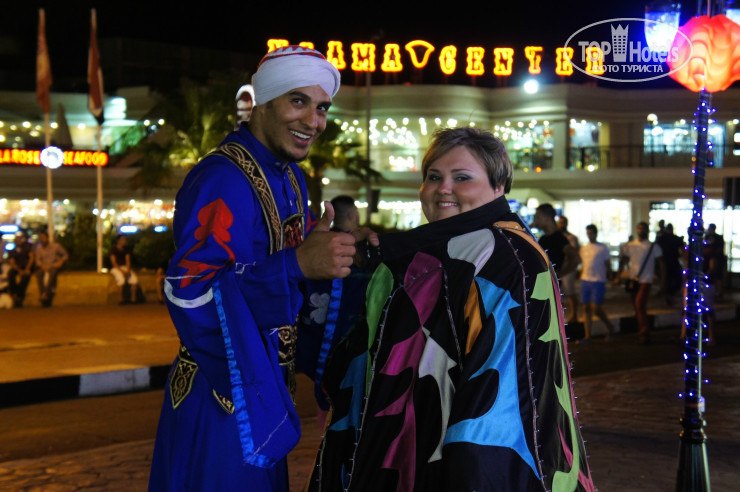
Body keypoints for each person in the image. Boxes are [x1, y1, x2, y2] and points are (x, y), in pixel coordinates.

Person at [308, 127, 593, 491]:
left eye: (461, 178)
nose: (443, 188)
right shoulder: (433, 252)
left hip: (448, 465)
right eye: (433, 177)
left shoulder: (504, 258)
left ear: (499, 184)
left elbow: (501, 407)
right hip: (405, 453)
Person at [149, 46, 378, 491]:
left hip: (264, 389)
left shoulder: (288, 174)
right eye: (298, 101)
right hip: (221, 396)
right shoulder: (223, 178)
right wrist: (297, 263)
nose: (313, 121)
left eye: (322, 107)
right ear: (263, 103)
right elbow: (189, 290)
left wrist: (343, 250)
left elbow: (295, 260)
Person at [297, 195, 370, 430]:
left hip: (315, 344)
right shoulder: (360, 251)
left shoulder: (312, 247)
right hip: (349, 349)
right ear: (352, 215)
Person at [615, 222, 663, 344]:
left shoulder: (653, 246)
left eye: (644, 228)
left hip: (646, 279)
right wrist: (618, 276)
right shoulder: (630, 245)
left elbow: (661, 264)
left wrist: (662, 279)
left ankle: (644, 332)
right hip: (634, 279)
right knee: (637, 307)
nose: (641, 230)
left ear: (647, 230)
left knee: (639, 304)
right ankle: (641, 330)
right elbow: (624, 260)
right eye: (639, 228)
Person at [533, 203, 579, 322]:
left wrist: (559, 274)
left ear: (547, 218)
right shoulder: (544, 239)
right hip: (542, 286)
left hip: (550, 288)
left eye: (538, 217)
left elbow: (576, 258)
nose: (535, 221)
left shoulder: (559, 238)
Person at [578, 224, 615, 343]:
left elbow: (608, 264)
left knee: (596, 308)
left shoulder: (603, 248)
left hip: (598, 280)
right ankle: (587, 336)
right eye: (588, 233)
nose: (589, 235)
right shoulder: (584, 248)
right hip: (585, 280)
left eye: (591, 233)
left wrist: (611, 277)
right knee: (586, 308)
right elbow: (584, 264)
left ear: (595, 233)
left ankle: (610, 327)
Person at [33, 230, 69, 307]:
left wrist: (61, 262)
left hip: (53, 265)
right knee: (39, 274)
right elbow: (37, 260)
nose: (42, 239)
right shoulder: (39, 249)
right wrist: (42, 266)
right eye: (41, 238)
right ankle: (43, 293)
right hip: (44, 266)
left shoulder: (56, 246)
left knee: (52, 274)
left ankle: (46, 293)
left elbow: (65, 255)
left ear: (47, 238)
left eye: (43, 237)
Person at [558, 215, 582, 323]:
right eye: (560, 222)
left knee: (570, 292)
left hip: (568, 268)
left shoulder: (571, 237)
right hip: (559, 267)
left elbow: (574, 252)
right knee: (559, 292)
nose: (561, 225)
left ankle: (574, 314)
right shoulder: (557, 236)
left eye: (563, 222)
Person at [109, 234, 139, 305]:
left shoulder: (126, 250)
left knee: (134, 280)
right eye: (123, 239)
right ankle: (121, 299)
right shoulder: (113, 249)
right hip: (116, 268)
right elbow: (114, 262)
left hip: (125, 267)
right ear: (118, 241)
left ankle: (133, 299)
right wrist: (121, 271)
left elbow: (128, 260)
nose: (124, 241)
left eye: (125, 239)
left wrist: (128, 270)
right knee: (121, 280)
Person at [7, 231, 35, 308]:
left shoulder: (27, 246)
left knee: (26, 278)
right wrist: (19, 270)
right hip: (17, 268)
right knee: (10, 274)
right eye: (17, 238)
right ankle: (14, 293)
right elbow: (12, 262)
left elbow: (31, 258)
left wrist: (27, 269)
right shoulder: (13, 249)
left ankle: (18, 295)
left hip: (27, 267)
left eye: (19, 237)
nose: (18, 239)